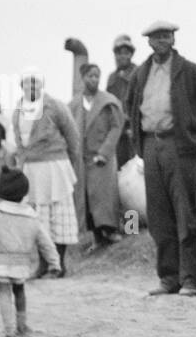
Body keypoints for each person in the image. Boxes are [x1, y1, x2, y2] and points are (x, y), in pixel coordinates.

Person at [125, 20, 196, 296]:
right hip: (150, 147)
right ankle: (168, 278)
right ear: (148, 42)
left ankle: (192, 279)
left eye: (166, 36)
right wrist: (137, 140)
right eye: (156, 37)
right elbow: (130, 106)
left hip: (179, 147)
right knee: (158, 216)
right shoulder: (140, 73)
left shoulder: (189, 71)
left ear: (173, 39)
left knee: (186, 214)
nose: (161, 41)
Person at [0, 167, 60, 337]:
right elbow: (45, 241)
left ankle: (10, 332)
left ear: (0, 191)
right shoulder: (31, 215)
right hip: (21, 263)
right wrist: (54, 262)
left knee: (3, 294)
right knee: (19, 291)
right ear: (25, 191)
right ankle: (22, 326)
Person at [12, 68, 80, 278]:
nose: (31, 87)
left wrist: (72, 162)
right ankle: (43, 264)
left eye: (35, 83)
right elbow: (19, 144)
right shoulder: (18, 111)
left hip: (55, 167)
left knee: (59, 216)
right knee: (38, 220)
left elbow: (72, 136)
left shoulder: (55, 107)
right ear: (21, 86)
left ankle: (59, 266)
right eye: (27, 83)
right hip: (31, 170)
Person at [69, 63, 125, 249]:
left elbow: (116, 127)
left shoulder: (108, 101)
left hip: (102, 158)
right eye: (90, 76)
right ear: (83, 77)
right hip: (82, 160)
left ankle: (112, 231)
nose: (94, 79)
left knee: (105, 195)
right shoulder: (75, 104)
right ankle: (96, 237)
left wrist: (104, 152)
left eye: (96, 76)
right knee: (86, 198)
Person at [107, 34, 139, 167]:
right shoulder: (112, 78)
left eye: (126, 53)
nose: (122, 57)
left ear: (131, 54)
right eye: (119, 53)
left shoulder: (138, 73)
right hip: (116, 127)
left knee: (136, 165)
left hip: (134, 126)